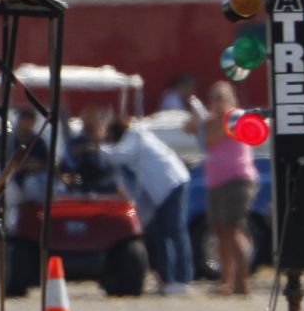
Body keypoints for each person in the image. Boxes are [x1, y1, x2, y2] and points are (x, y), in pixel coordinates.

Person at [101, 110, 193, 295]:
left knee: (175, 231)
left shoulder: (136, 135)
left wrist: (97, 146)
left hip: (172, 183)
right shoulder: (135, 138)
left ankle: (183, 279)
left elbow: (118, 155)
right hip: (164, 189)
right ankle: (167, 279)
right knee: (162, 233)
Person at [185, 80, 259, 296]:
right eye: (213, 98)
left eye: (220, 98)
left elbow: (209, 137)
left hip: (236, 179)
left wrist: (202, 124)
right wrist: (199, 121)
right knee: (220, 230)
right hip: (215, 180)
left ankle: (243, 281)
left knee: (234, 228)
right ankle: (226, 280)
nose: (216, 102)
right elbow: (188, 128)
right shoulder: (211, 120)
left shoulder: (234, 117)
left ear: (230, 99)